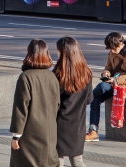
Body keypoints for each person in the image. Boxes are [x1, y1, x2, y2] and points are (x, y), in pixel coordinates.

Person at [85, 32, 126, 142]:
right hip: (113, 83)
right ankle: (93, 131)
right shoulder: (112, 54)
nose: (112, 51)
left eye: (113, 48)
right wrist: (106, 74)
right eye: (110, 49)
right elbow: (108, 68)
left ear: (121, 44)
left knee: (102, 87)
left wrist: (115, 79)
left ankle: (86, 97)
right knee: (95, 100)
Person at [10, 39, 61, 167]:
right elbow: (57, 104)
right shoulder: (52, 77)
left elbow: (21, 108)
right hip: (49, 130)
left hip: (30, 131)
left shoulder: (25, 77)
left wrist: (16, 135)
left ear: (29, 53)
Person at [53, 37, 93, 167]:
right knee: (77, 161)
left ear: (64, 53)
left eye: (58, 50)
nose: (56, 52)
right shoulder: (86, 73)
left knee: (57, 160)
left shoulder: (58, 74)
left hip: (59, 124)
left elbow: (53, 102)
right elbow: (89, 99)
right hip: (78, 124)